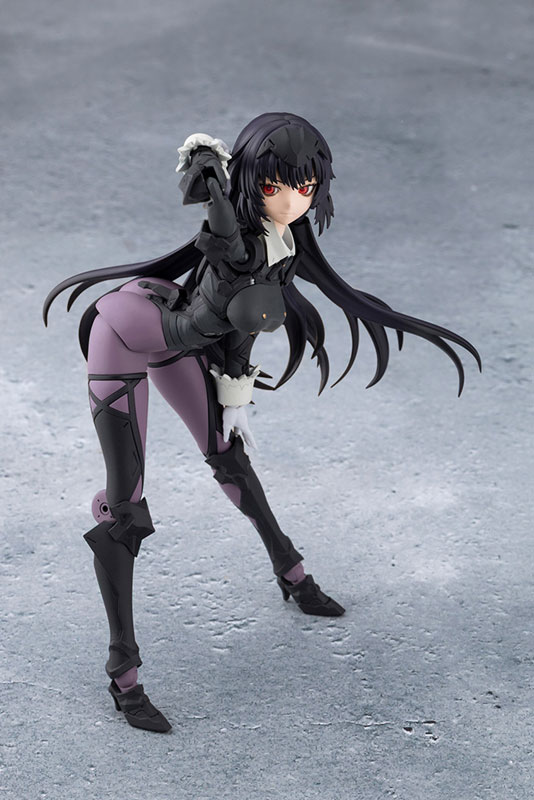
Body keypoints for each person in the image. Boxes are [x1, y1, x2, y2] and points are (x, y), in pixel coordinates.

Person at [43, 112, 480, 733]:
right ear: (252, 181)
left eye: (305, 186)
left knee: (228, 453)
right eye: (276, 185)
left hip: (179, 340)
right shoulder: (236, 237)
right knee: (127, 510)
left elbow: (243, 329)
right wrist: (210, 176)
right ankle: (124, 675)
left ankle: (292, 574)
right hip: (124, 335)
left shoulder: (284, 246)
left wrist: (235, 393)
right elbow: (222, 229)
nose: (293, 199)